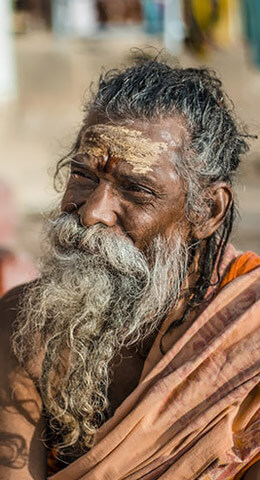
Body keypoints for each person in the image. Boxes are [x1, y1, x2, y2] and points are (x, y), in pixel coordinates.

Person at [0, 59, 260, 480]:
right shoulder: (27, 324)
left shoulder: (250, 337)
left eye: (136, 189)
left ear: (208, 211)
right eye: (83, 175)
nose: (92, 214)